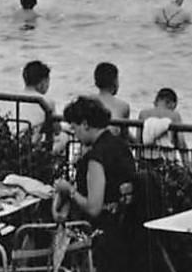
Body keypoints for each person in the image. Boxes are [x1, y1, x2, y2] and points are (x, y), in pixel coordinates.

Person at [53, 96, 136, 226]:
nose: (74, 134)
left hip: (102, 230)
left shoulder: (96, 158)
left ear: (85, 124)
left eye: (74, 128)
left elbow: (94, 208)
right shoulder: (121, 146)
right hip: (126, 224)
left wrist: (69, 190)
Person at [139, 87, 187, 155]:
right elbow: (181, 143)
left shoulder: (143, 114)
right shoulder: (175, 116)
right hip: (166, 159)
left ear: (155, 101)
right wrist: (186, 163)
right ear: (173, 104)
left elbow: (138, 141)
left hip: (146, 158)